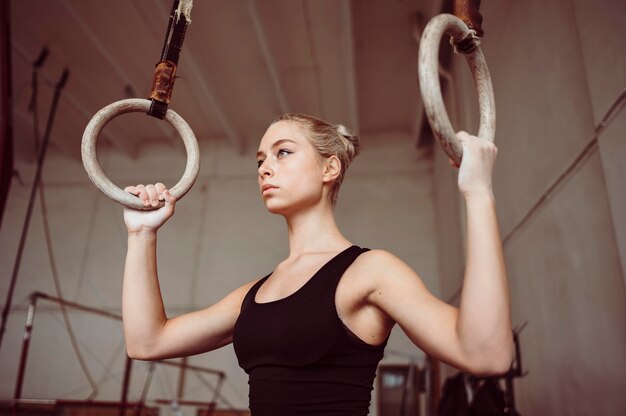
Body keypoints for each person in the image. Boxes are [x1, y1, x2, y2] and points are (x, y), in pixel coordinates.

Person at [122, 113, 513, 415]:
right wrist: (141, 235)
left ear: (330, 168)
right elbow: (147, 340)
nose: (264, 167)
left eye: (283, 152)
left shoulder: (371, 272)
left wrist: (479, 193)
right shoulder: (254, 294)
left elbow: (486, 354)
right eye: (260, 159)